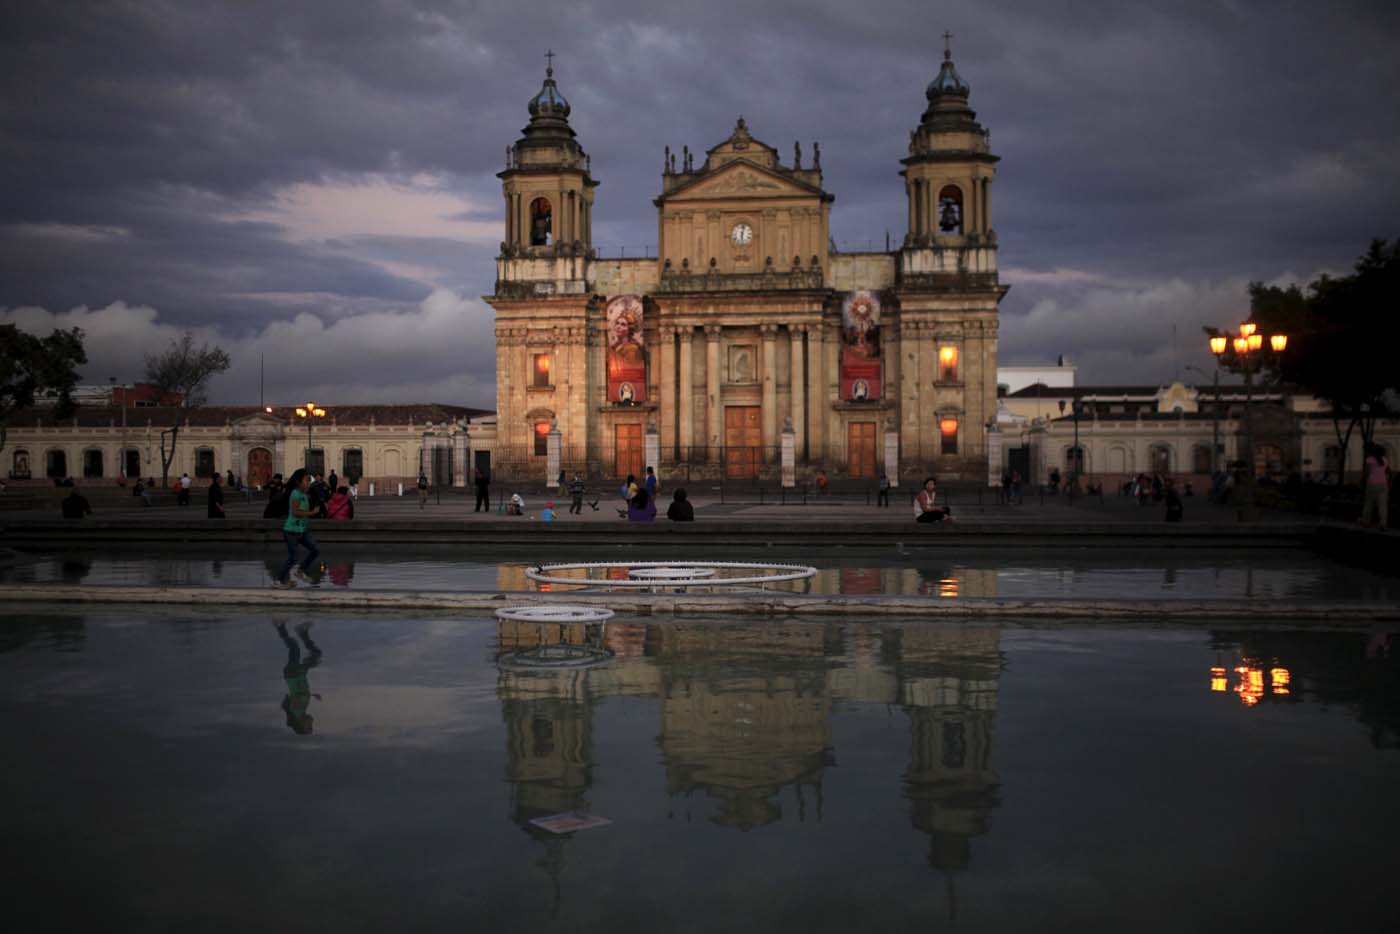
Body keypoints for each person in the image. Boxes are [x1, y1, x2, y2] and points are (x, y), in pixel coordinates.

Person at [274, 621, 322, 735]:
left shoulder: (297, 712)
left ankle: (289, 629)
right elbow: (298, 695)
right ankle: (289, 629)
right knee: (300, 650)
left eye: (309, 726)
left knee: (296, 648)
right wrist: (312, 695)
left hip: (294, 675)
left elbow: (294, 698)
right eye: (311, 726)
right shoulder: (301, 711)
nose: (311, 723)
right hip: (297, 675)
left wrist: (306, 695)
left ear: (301, 724)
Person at [278, 468, 321, 588]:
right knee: (293, 557)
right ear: (298, 482)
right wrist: (312, 513)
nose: (308, 483)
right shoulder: (295, 493)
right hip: (291, 531)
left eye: (309, 481)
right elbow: (296, 512)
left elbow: (303, 511)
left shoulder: (304, 495)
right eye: (306, 481)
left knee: (315, 550)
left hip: (302, 530)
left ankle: (300, 571)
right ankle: (280, 581)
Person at [1360, 443, 1391, 530]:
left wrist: (1361, 480)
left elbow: (1367, 472)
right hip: (1383, 484)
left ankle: (1365, 521)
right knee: (1383, 505)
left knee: (1369, 503)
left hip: (1372, 484)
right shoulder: (1385, 460)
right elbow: (1387, 472)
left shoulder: (1370, 459)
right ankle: (1383, 524)